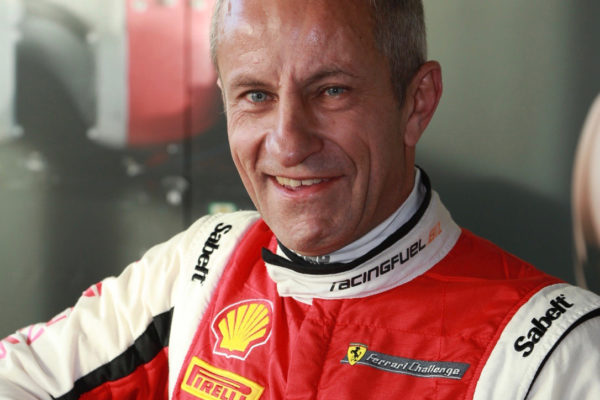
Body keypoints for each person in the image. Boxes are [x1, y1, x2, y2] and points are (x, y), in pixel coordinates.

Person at [1, 0, 599, 399]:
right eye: (256, 95)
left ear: (416, 103)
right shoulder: (200, 266)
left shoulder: (556, 353)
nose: (288, 143)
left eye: (331, 90)